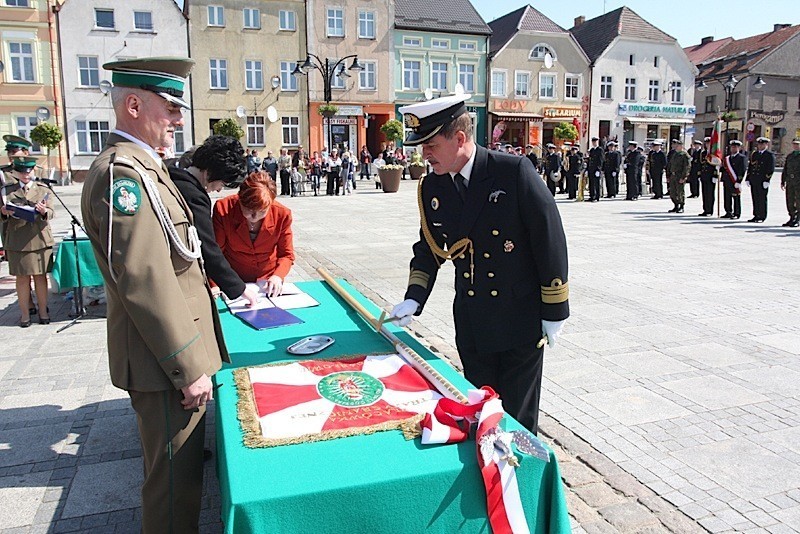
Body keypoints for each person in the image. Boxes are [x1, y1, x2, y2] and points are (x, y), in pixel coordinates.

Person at [80, 57, 228, 533]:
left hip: (165, 357)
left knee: (178, 482)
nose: (178, 118)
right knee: (172, 492)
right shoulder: (124, 174)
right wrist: (187, 366)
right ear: (133, 104)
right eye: (169, 107)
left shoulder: (144, 166)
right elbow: (145, 277)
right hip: (164, 364)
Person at [389, 94, 569, 434]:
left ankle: (520, 483)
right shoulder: (433, 186)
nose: (423, 155)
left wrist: (555, 311)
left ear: (459, 138)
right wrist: (414, 296)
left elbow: (549, 237)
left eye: (430, 145)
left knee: (515, 422)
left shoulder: (511, 171)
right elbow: (429, 245)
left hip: (519, 319)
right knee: (478, 414)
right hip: (472, 320)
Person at [168, 135, 258, 306]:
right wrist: (239, 289)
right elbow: (208, 247)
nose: (218, 190)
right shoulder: (195, 196)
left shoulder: (173, 177)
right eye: (221, 183)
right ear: (209, 172)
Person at [212, 171, 294, 295]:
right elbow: (215, 253)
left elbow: (286, 255)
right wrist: (216, 284)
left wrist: (277, 276)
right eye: (249, 210)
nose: (254, 217)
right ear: (240, 201)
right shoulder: (224, 209)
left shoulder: (282, 214)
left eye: (262, 211)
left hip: (267, 281)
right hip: (233, 277)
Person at [0, 156, 54, 327]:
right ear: (15, 173)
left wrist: (44, 210)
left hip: (39, 238)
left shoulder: (42, 188)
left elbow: (51, 212)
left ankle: (43, 311)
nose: (26, 174)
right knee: (22, 278)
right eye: (22, 171)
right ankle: (24, 315)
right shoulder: (7, 191)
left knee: (40, 277)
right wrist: (4, 212)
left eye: (29, 171)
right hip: (17, 240)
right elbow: (1, 216)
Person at [745, 137, 775, 223]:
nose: (760, 146)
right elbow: (751, 167)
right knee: (755, 197)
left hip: (762, 180)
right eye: (759, 144)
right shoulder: (755, 154)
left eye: (762, 144)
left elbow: (770, 168)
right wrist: (748, 178)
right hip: (754, 179)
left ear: (766, 145)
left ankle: (762, 215)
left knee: (762, 198)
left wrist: (767, 180)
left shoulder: (769, 155)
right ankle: (756, 215)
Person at [721, 139, 747, 220]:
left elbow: (742, 170)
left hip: (735, 180)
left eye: (735, 147)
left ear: (739, 148)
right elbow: (724, 168)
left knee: (736, 197)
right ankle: (728, 212)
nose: (733, 149)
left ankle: (737, 213)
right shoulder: (727, 158)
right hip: (727, 180)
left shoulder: (742, 158)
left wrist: (739, 181)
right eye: (732, 147)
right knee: (727, 197)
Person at [667, 139, 691, 213]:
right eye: (675, 145)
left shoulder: (685, 155)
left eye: (677, 145)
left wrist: (683, 177)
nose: (676, 147)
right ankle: (676, 205)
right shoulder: (674, 154)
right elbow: (670, 165)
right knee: (672, 192)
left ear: (681, 146)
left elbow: (687, 167)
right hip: (673, 176)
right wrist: (668, 175)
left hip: (679, 175)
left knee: (680, 192)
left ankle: (681, 206)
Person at [698, 137, 719, 216]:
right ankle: (705, 209)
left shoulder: (714, 153)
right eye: (706, 143)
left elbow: (716, 165)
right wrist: (699, 174)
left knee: (710, 193)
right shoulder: (703, 153)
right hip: (704, 175)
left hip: (711, 176)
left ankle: (710, 210)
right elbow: (701, 164)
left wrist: (715, 175)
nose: (707, 145)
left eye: (709, 143)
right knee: (704, 193)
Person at [782, 139, 800, 227]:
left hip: (798, 182)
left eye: (797, 144)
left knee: (798, 201)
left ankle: (798, 219)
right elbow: (785, 169)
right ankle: (792, 217)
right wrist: (783, 181)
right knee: (790, 200)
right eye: (794, 144)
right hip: (790, 181)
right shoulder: (790, 156)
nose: (795, 146)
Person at [586, 137, 604, 202]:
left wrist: (598, 169)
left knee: (596, 183)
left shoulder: (600, 150)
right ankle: (592, 195)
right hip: (591, 169)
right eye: (593, 142)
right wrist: (587, 169)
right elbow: (590, 160)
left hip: (596, 169)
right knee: (591, 183)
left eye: (595, 142)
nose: (594, 143)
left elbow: (601, 160)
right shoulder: (592, 150)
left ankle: (597, 196)